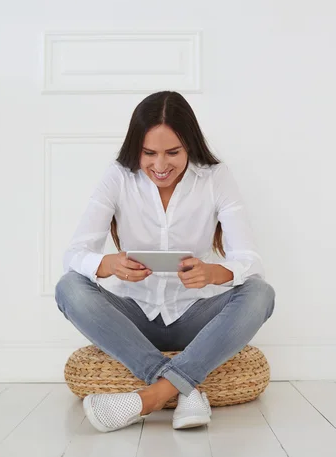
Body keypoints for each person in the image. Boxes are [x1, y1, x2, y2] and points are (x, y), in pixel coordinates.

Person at [55, 91, 276, 433]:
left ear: (190, 145)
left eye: (172, 152)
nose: (160, 166)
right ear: (136, 149)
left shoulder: (215, 177)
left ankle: (150, 398)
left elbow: (249, 260)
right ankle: (180, 385)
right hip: (134, 315)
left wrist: (213, 273)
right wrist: (108, 264)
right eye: (149, 153)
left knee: (260, 293)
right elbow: (74, 254)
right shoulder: (117, 177)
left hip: (194, 316)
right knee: (69, 287)